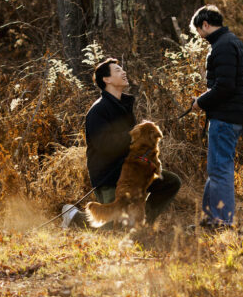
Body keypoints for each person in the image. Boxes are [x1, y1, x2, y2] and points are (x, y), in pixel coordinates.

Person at [64, 58, 181, 228]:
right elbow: (104, 145)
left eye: (122, 69)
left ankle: (143, 224)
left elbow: (134, 143)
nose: (123, 72)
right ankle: (75, 218)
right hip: (110, 178)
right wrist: (134, 135)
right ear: (107, 79)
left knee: (171, 182)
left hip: (133, 173)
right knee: (115, 228)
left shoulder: (125, 106)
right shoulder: (98, 110)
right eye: (118, 70)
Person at [191, 5, 243, 230]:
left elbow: (224, 86)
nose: (200, 36)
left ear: (205, 25)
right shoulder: (232, 41)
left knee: (220, 169)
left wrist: (201, 102)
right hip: (232, 114)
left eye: (199, 31)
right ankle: (210, 217)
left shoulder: (222, 46)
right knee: (216, 168)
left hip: (226, 117)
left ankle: (222, 220)